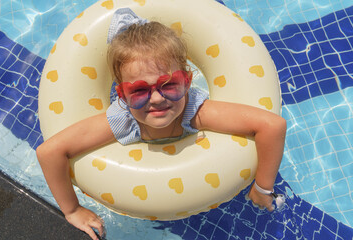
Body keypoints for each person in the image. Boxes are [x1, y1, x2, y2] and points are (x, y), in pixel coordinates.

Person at [36, 8, 286, 240]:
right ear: (121, 95)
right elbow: (49, 152)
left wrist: (263, 188)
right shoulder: (122, 119)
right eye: (139, 90)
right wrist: (72, 210)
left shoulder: (195, 110)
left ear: (187, 81)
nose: (157, 98)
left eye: (169, 85)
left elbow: (272, 126)